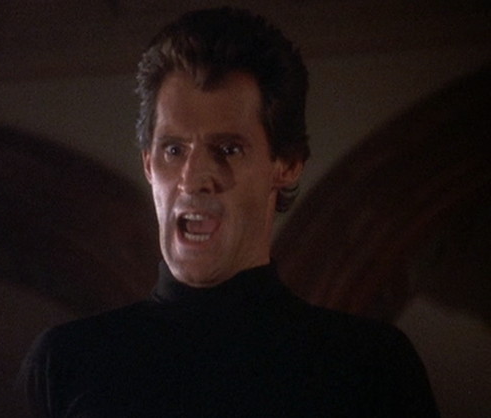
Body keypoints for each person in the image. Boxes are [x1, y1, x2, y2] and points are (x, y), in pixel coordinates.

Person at [22, 7, 439, 417]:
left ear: (287, 165)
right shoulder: (65, 363)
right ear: (148, 164)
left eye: (228, 149)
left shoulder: (370, 365)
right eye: (174, 149)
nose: (193, 179)